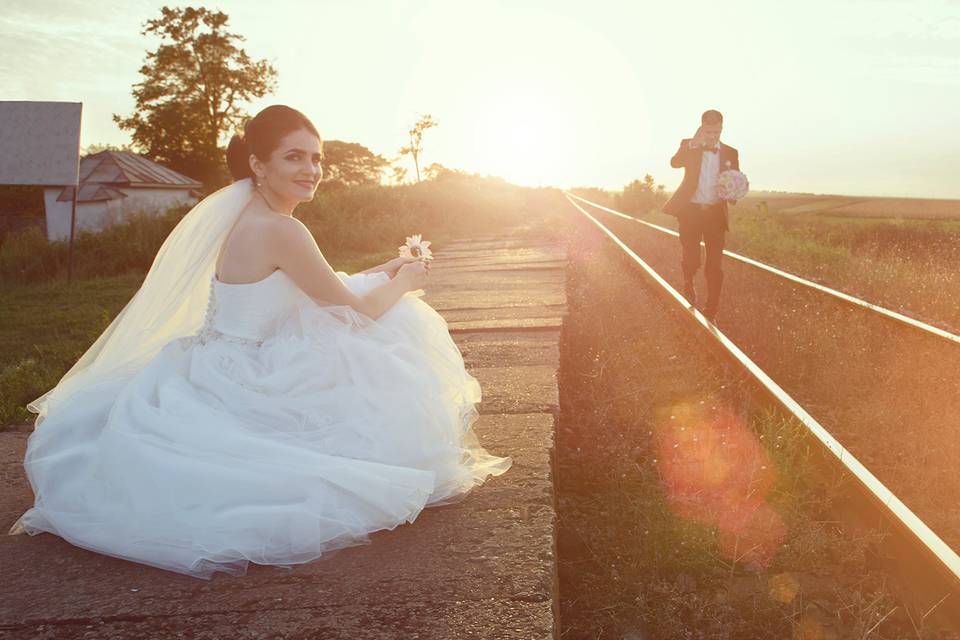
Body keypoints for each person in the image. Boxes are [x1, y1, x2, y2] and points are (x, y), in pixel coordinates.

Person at [9, 105, 511, 579]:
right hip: (249, 367)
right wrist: (405, 284)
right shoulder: (279, 228)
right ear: (258, 164)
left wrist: (385, 268)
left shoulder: (247, 215)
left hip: (217, 356)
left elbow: (316, 285)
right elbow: (355, 314)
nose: (311, 169)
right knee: (395, 329)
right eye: (294, 157)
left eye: (316, 158)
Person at [662, 109, 740, 321]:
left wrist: (735, 191)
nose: (713, 136)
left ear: (722, 129)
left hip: (715, 214)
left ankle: (711, 309)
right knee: (691, 259)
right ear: (701, 128)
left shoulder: (731, 153)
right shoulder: (690, 144)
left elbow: (732, 184)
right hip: (690, 212)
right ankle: (688, 281)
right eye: (708, 132)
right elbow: (674, 162)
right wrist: (693, 144)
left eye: (717, 132)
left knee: (715, 265)